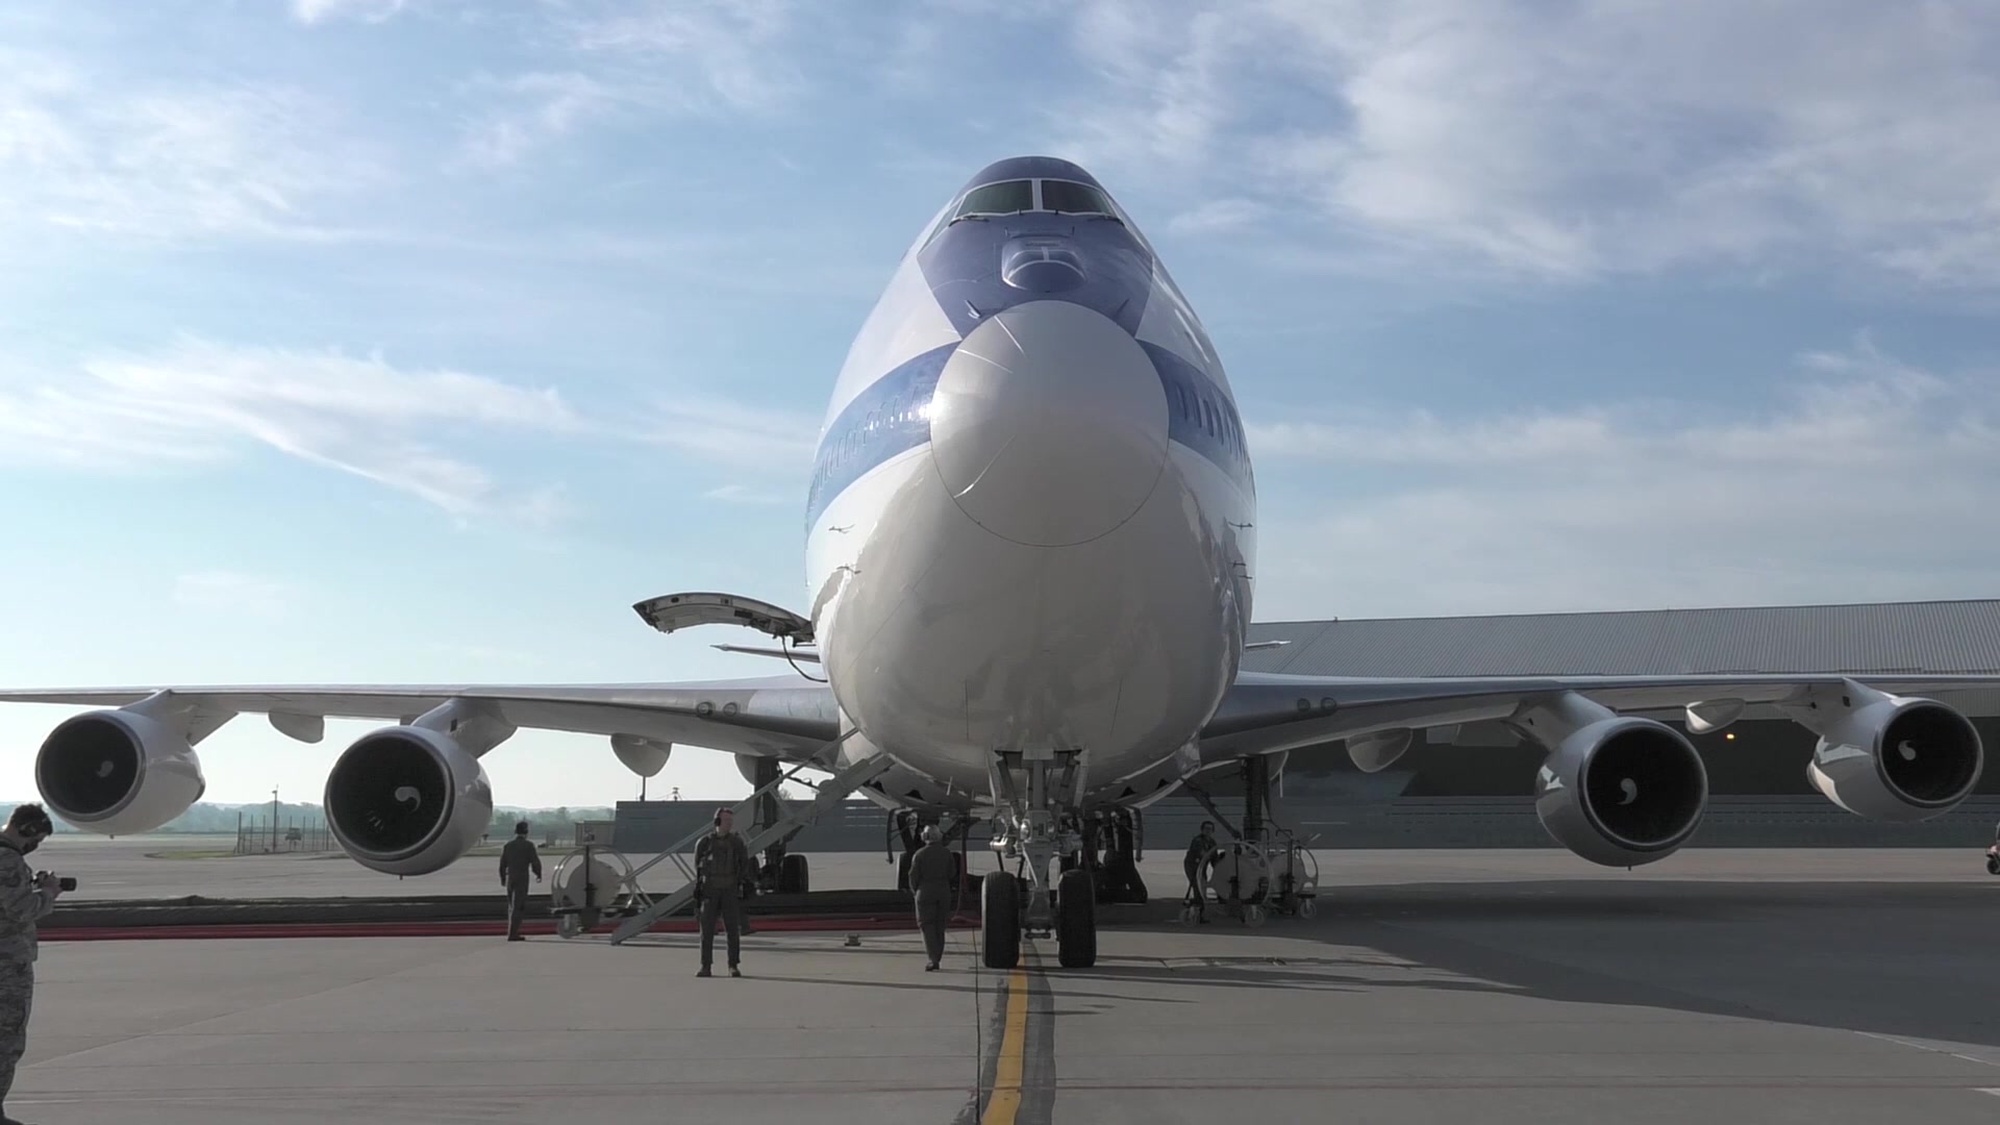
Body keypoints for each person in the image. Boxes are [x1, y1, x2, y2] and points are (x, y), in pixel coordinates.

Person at [0, 804, 63, 1124]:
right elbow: (20, 910)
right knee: (7, 1039)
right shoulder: (7, 861)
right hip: (7, 964)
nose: (33, 846)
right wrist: (48, 894)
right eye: (35, 838)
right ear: (26, 830)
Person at [694, 807, 752, 977]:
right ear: (717, 822)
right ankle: (706, 965)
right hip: (710, 890)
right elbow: (698, 866)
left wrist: (738, 884)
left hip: (729, 889)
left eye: (730, 821)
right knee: (707, 930)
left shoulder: (736, 843)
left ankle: (733, 965)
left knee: (733, 929)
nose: (729, 824)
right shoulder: (704, 843)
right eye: (726, 821)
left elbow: (743, 864)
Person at [907, 824, 956, 971]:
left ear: (924, 837)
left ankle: (933, 959)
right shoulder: (947, 853)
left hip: (925, 891)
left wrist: (916, 891)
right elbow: (952, 873)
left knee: (926, 925)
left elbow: (913, 876)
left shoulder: (919, 854)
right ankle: (938, 956)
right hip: (943, 891)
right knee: (940, 926)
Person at [499, 820, 542, 942]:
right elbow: (535, 862)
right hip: (522, 877)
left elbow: (502, 865)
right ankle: (513, 933)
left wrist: (503, 878)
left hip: (510, 878)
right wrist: (538, 874)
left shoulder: (508, 846)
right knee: (518, 906)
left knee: (511, 906)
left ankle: (511, 931)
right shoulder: (528, 845)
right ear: (526, 832)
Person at [1184, 820, 1217, 923]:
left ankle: (1198, 912)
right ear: (1202, 830)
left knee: (1201, 890)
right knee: (1198, 889)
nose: (1208, 831)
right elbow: (1202, 854)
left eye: (1210, 829)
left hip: (1201, 868)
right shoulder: (1197, 841)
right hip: (1193, 867)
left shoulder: (1211, 842)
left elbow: (1214, 859)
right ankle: (1195, 912)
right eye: (1206, 829)